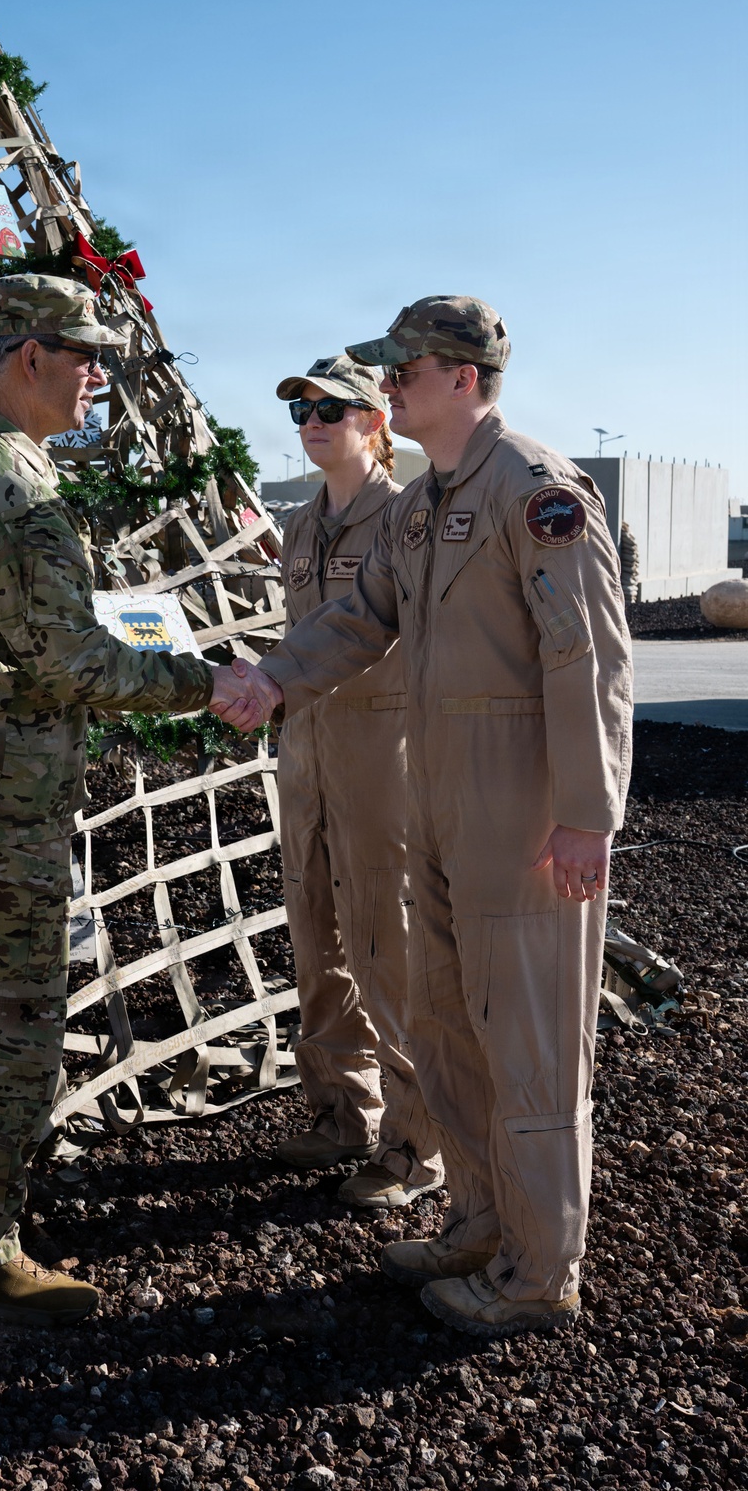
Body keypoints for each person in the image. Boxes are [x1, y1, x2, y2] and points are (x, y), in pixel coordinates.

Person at [0, 274, 261, 1327]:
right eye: (85, 357)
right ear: (31, 359)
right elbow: (72, 662)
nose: (99, 377)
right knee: (5, 1031)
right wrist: (212, 683)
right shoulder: (16, 490)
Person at [223, 296, 633, 1338]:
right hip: (436, 795)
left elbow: (586, 657)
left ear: (462, 377)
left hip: (521, 804)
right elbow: (360, 618)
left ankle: (542, 1273)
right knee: (448, 1025)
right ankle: (481, 1222)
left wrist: (587, 814)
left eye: (401, 370)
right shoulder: (423, 506)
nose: (387, 386)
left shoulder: (536, 493)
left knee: (529, 1042)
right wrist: (273, 678)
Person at [273, 355, 443, 1209]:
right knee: (316, 939)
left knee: (389, 950)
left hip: (382, 760)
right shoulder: (300, 528)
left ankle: (416, 1146)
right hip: (305, 759)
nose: (313, 420)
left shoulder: (407, 518)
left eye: (333, 408)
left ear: (376, 421)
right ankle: (341, 1109)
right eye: (302, 408)